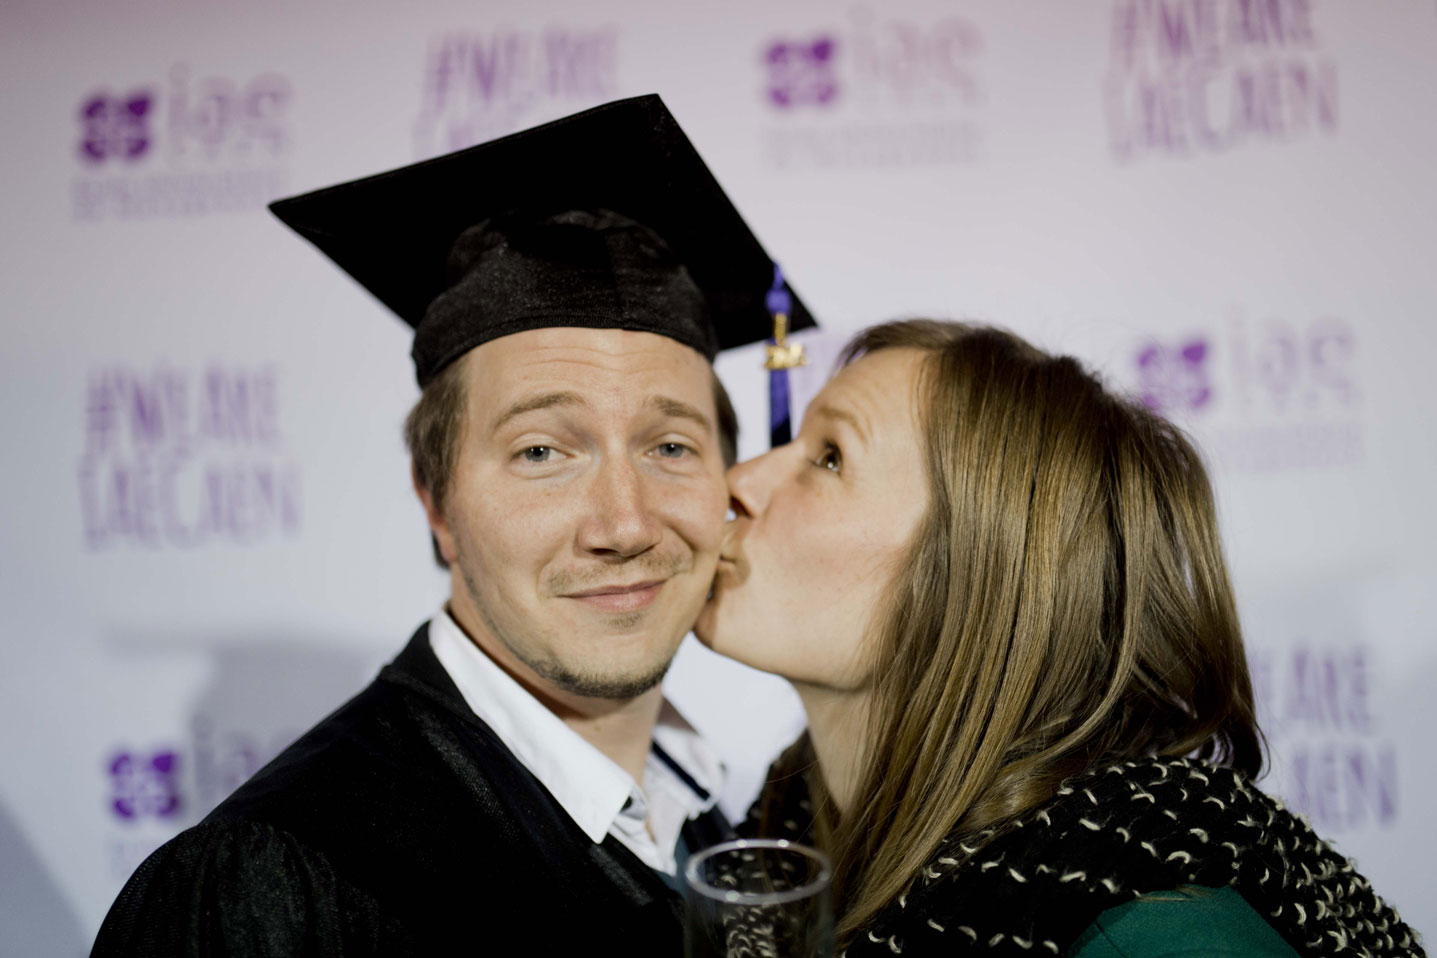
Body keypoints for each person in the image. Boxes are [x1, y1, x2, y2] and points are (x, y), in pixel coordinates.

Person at [91, 95, 815, 957]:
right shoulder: (275, 886)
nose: (625, 522)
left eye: (669, 445)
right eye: (543, 451)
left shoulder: (732, 819)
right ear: (436, 502)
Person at [697, 320, 1424, 957]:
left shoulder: (1150, 932)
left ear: (975, 572)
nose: (738, 481)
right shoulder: (784, 842)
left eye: (829, 458)